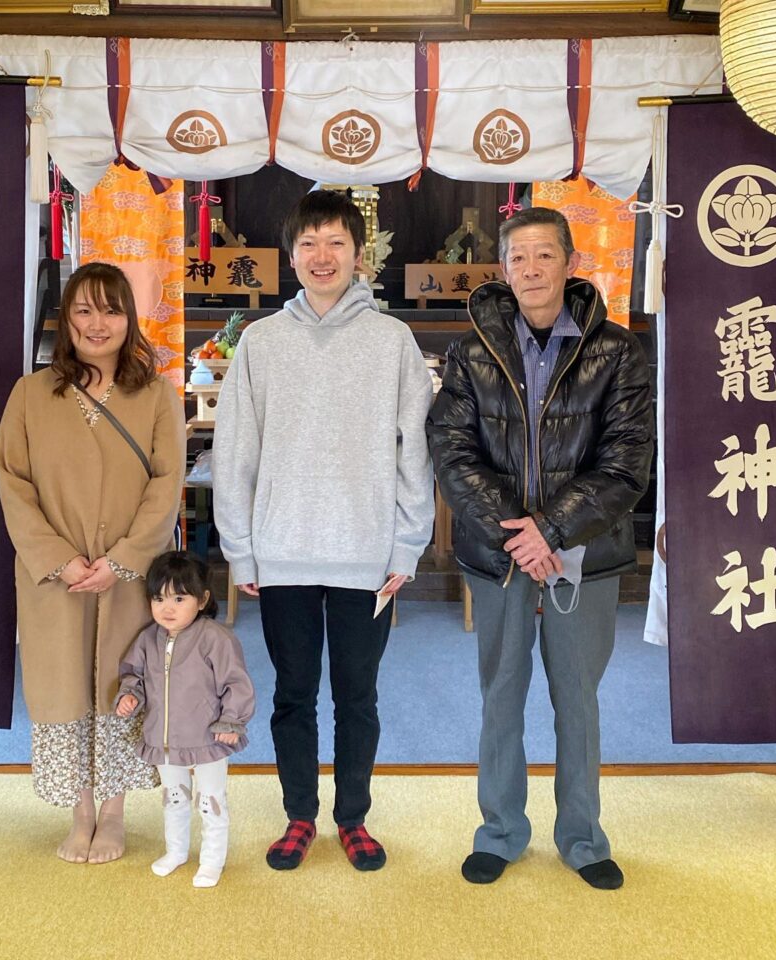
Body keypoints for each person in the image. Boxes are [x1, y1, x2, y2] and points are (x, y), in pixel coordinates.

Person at [427, 207, 653, 890]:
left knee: (577, 697)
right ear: (504, 269)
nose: (531, 269)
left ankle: (583, 838)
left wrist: (550, 530)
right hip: (502, 554)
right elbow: (452, 451)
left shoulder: (618, 351)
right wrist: (518, 534)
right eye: (518, 258)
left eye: (544, 255)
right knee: (500, 692)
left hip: (584, 551)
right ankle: (500, 831)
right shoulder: (471, 351)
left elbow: (627, 462)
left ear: (571, 263)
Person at [212, 189, 435, 872]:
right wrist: (240, 549)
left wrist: (407, 543)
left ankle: (353, 818)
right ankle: (300, 815)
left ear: (359, 255)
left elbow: (416, 452)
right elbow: (234, 451)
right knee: (293, 695)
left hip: (367, 556)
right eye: (308, 243)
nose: (322, 255)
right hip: (282, 552)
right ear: (291, 257)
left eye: (336, 242)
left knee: (358, 697)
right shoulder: (262, 342)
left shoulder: (392, 341)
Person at [0, 261, 186, 864]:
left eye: (110, 310)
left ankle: (115, 813)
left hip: (130, 576)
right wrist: (58, 559)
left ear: (129, 320)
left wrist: (124, 559)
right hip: (55, 578)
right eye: (83, 310)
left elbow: (166, 484)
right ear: (66, 319)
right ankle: (80, 811)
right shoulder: (31, 394)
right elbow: (12, 482)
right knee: (63, 685)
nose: (96, 323)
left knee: (120, 684)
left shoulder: (156, 395)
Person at [115, 550, 255, 888]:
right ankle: (176, 851)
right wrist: (130, 695)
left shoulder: (215, 639)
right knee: (174, 797)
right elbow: (134, 674)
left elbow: (236, 683)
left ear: (202, 599)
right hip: (163, 738)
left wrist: (231, 721)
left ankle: (212, 860)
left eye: (179, 598)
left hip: (209, 738)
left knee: (210, 801)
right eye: (159, 598)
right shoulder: (148, 639)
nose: (168, 608)